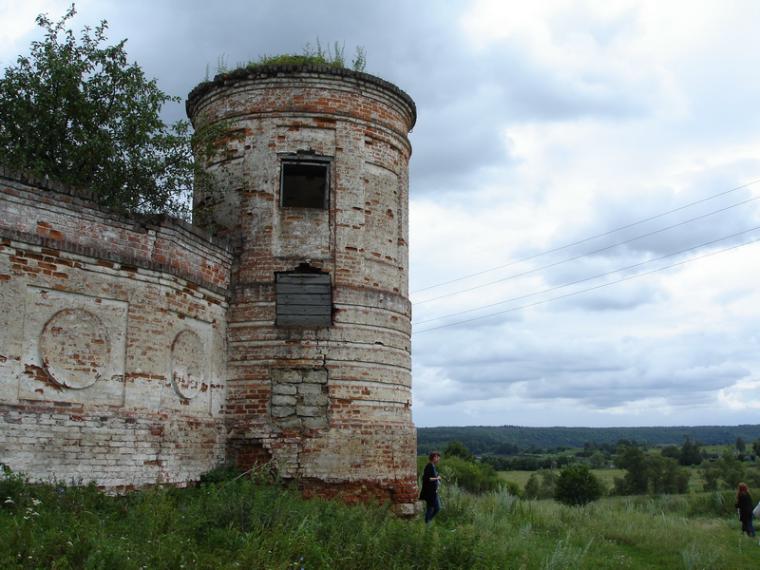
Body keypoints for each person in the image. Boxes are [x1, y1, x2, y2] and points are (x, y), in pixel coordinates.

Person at [420, 451, 442, 524]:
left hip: (433, 492)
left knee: (436, 508)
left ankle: (428, 521)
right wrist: (437, 478)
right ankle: (427, 523)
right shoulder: (429, 466)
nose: (438, 459)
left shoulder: (432, 466)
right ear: (434, 457)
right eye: (437, 457)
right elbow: (428, 478)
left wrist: (437, 480)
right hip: (430, 493)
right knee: (432, 508)